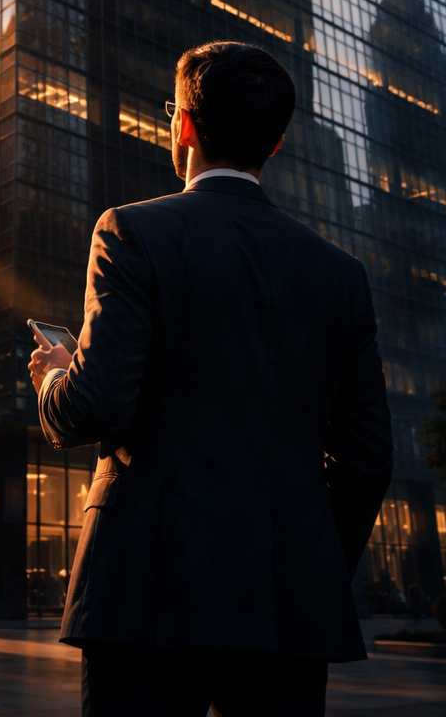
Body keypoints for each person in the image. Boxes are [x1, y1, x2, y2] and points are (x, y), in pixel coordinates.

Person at [29, 42, 393, 717]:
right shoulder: (342, 276)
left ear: (185, 127)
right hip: (288, 604)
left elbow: (95, 405)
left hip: (147, 592)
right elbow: (367, 459)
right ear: (276, 144)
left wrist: (55, 375)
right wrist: (306, 569)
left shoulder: (130, 233)